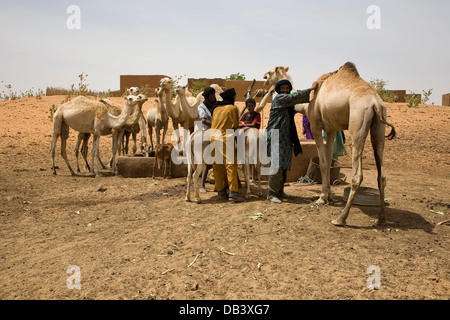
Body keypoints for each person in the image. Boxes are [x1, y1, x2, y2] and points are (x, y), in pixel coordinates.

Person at [266, 79, 318, 204]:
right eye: (282, 88)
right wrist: (311, 89)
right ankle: (271, 193)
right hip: (275, 136)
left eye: (286, 88)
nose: (284, 90)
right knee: (276, 165)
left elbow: (298, 104)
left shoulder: (289, 105)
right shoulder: (280, 99)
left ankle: (279, 191)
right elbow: (296, 96)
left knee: (283, 166)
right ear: (279, 90)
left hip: (284, 138)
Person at [210, 88, 244, 203]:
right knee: (230, 165)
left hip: (213, 137)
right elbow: (235, 124)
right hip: (225, 137)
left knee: (217, 165)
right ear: (232, 98)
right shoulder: (232, 108)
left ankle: (221, 191)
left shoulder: (216, 109)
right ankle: (233, 193)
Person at [197, 87, 217, 192]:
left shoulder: (216, 105)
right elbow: (204, 120)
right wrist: (216, 125)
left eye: (214, 94)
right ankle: (202, 185)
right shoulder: (202, 107)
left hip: (217, 134)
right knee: (207, 161)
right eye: (212, 95)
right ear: (207, 96)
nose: (213, 97)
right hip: (207, 135)